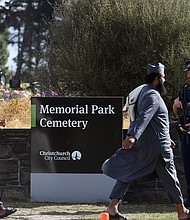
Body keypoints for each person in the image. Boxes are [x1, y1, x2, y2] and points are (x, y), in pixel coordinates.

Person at [102, 63, 190, 220]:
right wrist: (133, 135)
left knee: (128, 173)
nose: (165, 79)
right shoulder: (152, 96)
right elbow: (144, 116)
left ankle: (112, 207)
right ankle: (182, 212)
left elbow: (152, 121)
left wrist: (166, 137)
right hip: (157, 148)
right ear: (157, 79)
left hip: (149, 144)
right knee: (171, 177)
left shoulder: (144, 92)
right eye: (163, 77)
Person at [173, 60, 190, 208]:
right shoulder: (184, 89)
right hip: (186, 133)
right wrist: (175, 105)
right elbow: (178, 112)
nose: (189, 75)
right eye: (188, 72)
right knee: (187, 166)